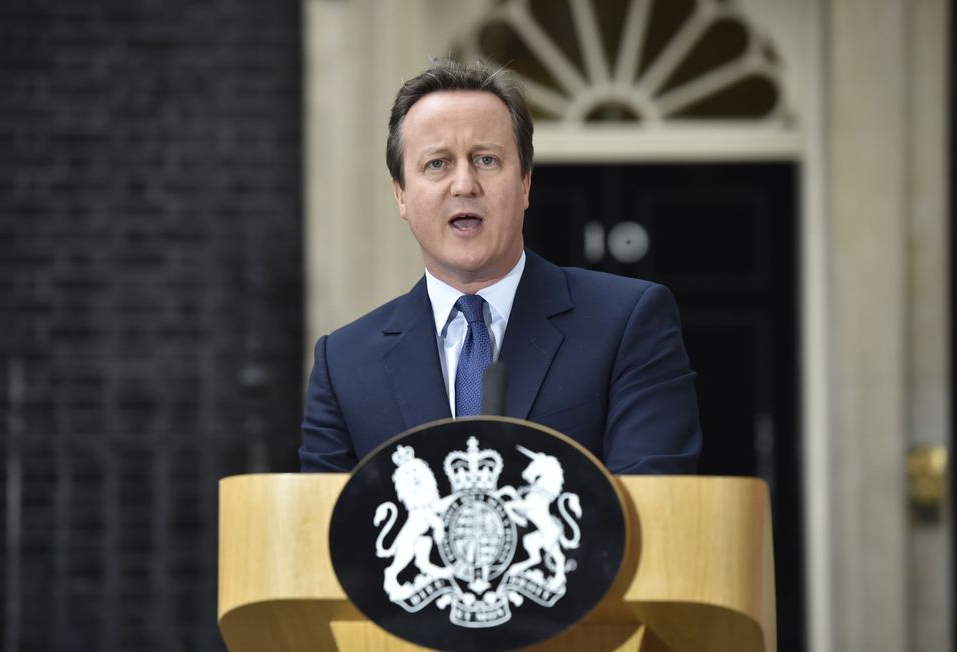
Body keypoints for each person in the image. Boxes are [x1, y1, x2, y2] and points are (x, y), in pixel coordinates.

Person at [299, 59, 701, 474]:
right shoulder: (343, 364)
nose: (464, 185)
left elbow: (656, 503)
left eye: (486, 160)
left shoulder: (628, 323)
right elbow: (320, 526)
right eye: (437, 163)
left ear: (525, 182)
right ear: (401, 193)